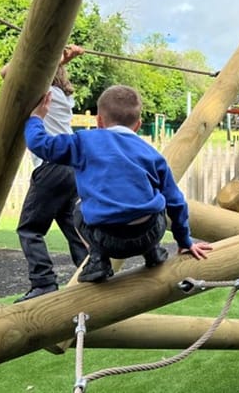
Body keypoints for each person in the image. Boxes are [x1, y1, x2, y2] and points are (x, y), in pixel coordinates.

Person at [23, 84, 212, 283]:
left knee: (78, 210)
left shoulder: (84, 142)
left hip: (107, 240)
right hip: (150, 233)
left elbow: (39, 144)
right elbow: (176, 202)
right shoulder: (151, 155)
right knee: (157, 200)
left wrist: (36, 118)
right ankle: (152, 252)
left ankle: (98, 260)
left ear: (99, 121)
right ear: (138, 125)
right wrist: (184, 241)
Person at [2, 44, 89, 302]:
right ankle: (91, 270)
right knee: (70, 223)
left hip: (51, 167)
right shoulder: (64, 97)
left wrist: (50, 56)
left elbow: (6, 72)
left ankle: (44, 282)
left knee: (29, 228)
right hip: (71, 168)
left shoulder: (45, 93)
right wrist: (61, 61)